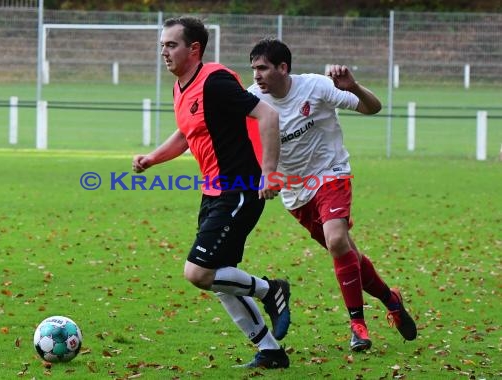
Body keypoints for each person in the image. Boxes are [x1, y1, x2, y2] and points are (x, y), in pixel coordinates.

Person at [132, 18, 291, 369]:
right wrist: (152, 158)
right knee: (221, 278)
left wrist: (269, 173)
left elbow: (267, 115)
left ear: (194, 49)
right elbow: (187, 133)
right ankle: (270, 351)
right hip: (213, 192)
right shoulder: (181, 87)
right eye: (162, 45)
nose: (164, 51)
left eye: (171, 45)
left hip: (240, 189)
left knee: (199, 272)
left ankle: (270, 290)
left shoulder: (215, 82)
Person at [247, 38, 417, 352]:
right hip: (295, 191)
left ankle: (358, 325)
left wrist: (354, 87)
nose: (256, 75)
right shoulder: (253, 99)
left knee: (337, 241)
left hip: (331, 172)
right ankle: (391, 300)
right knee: (347, 252)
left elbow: (373, 107)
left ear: (283, 68)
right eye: (253, 68)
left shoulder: (316, 86)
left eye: (262, 68)